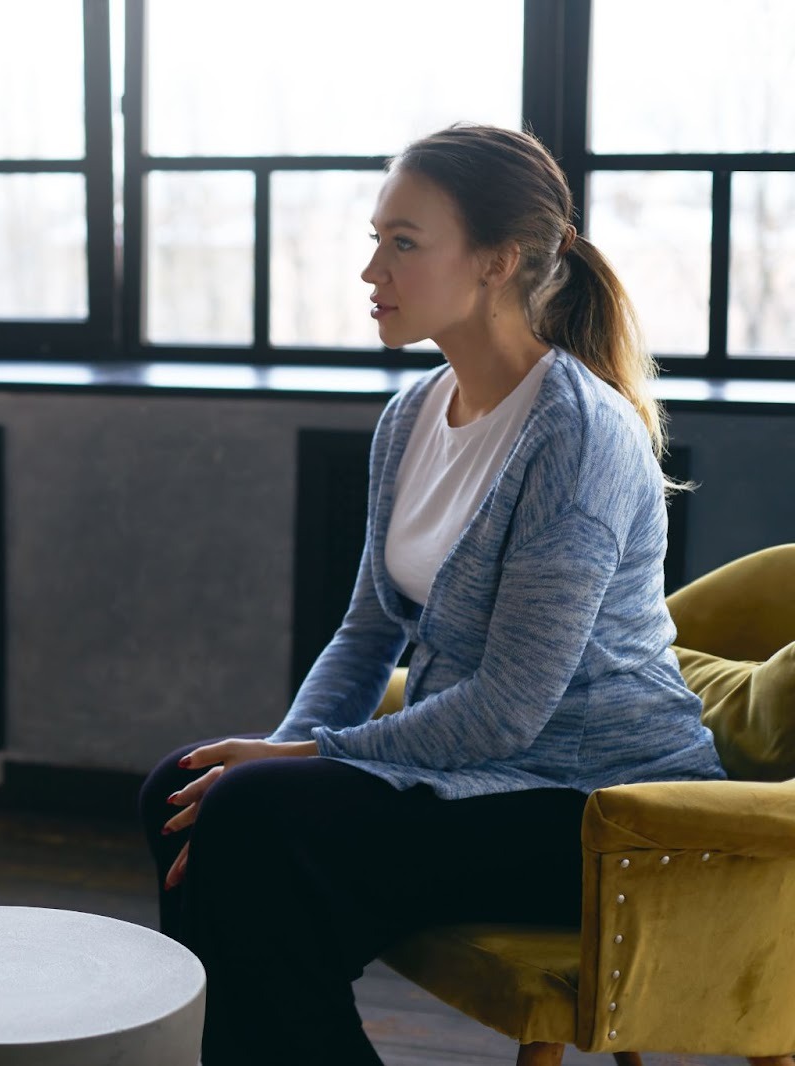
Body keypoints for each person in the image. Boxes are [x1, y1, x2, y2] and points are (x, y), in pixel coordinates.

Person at [139, 123, 724, 1065]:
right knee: (186, 785)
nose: (373, 269)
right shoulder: (412, 413)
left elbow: (509, 709)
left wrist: (310, 762)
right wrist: (282, 750)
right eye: (376, 238)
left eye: (403, 243)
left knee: (250, 817)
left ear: (497, 262)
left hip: (601, 810)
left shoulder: (576, 436)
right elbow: (368, 630)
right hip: (484, 775)